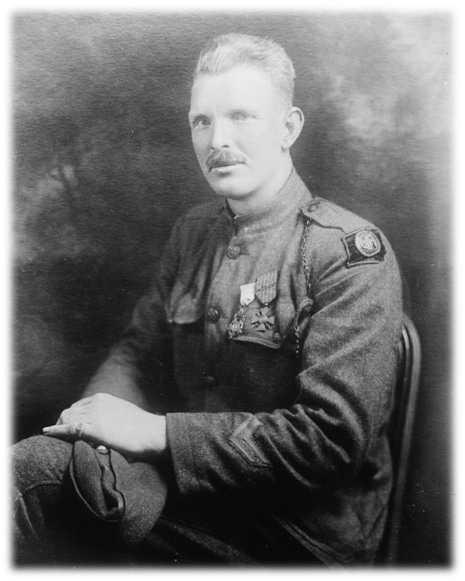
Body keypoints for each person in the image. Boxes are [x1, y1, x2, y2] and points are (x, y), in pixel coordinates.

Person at [12, 33, 403, 567]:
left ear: (289, 128)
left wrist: (151, 432)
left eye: (241, 116)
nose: (217, 139)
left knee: (28, 479)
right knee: (45, 471)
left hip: (296, 532)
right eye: (202, 121)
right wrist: (90, 435)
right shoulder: (193, 234)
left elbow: (329, 442)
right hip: (193, 493)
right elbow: (136, 353)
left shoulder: (350, 254)